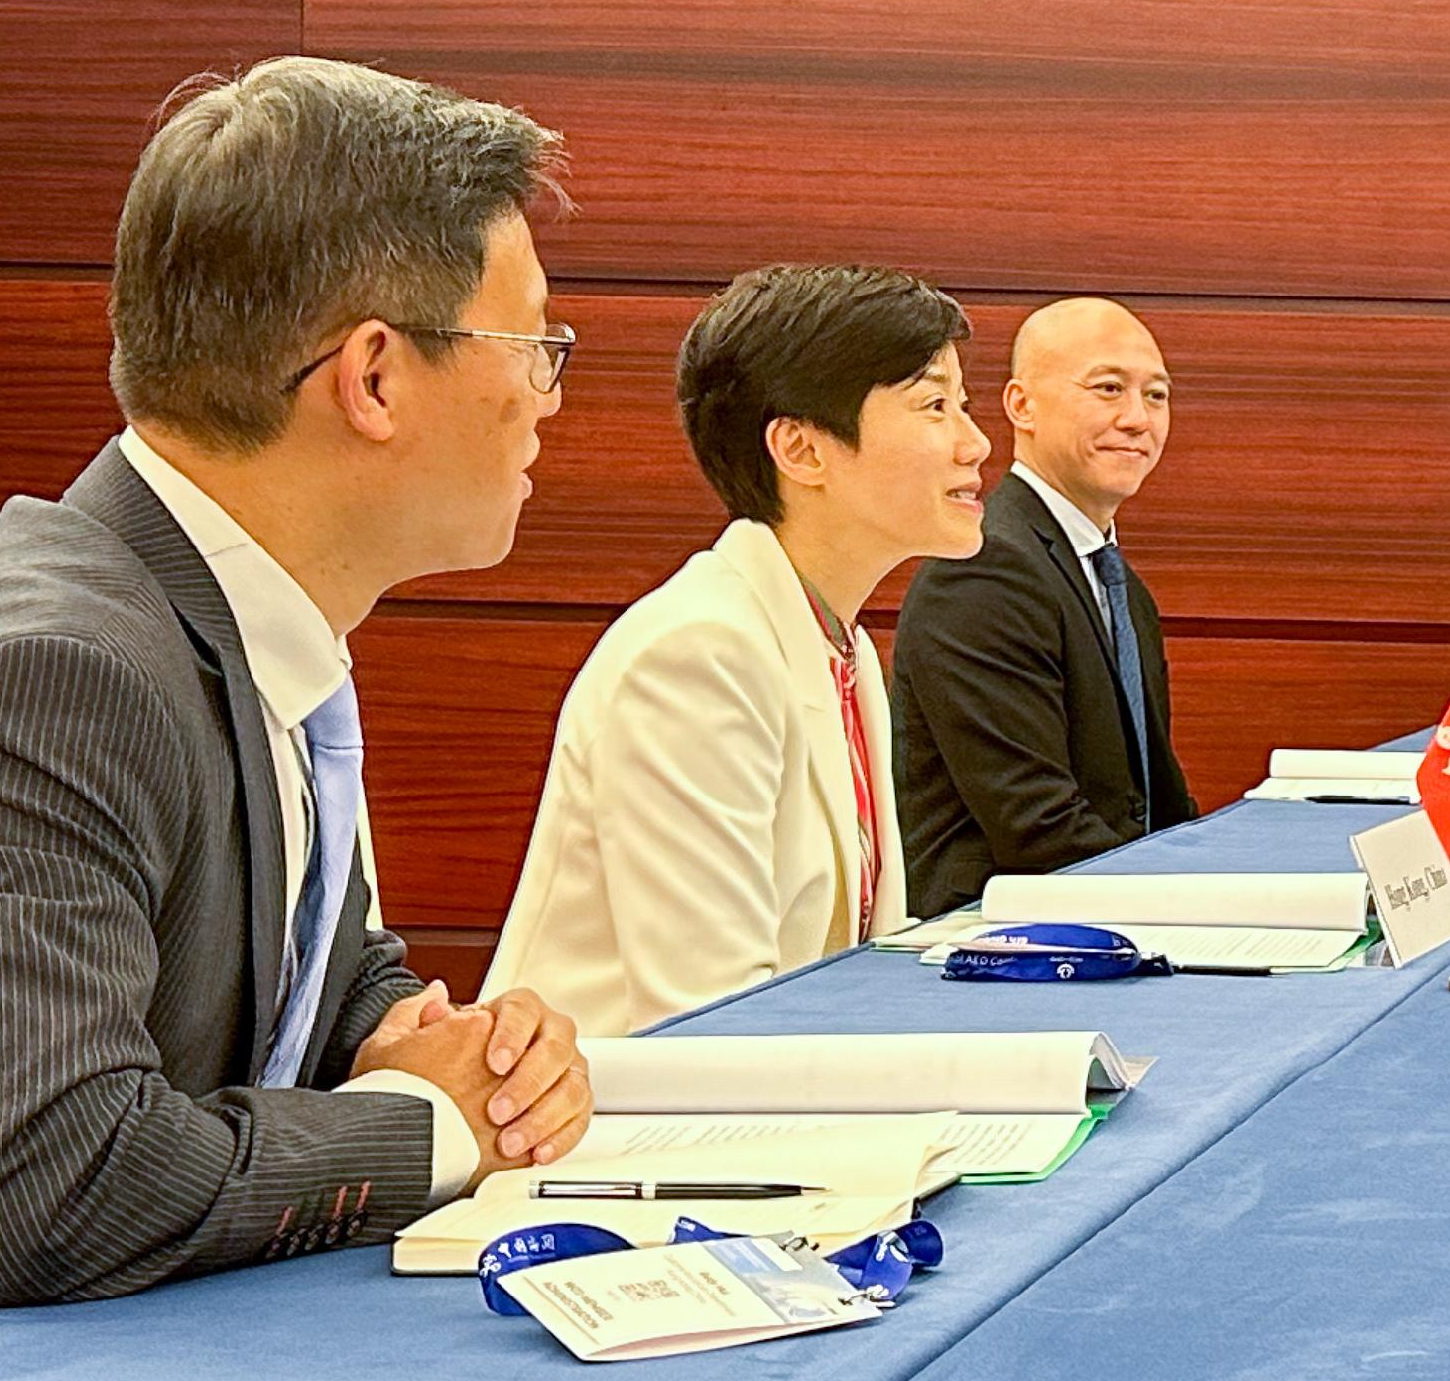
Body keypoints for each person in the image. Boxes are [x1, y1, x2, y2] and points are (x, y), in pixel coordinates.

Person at [0, 59, 595, 1333]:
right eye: (535, 347)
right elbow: (44, 1186)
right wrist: (427, 1127)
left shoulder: (220, 616)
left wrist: (448, 1044)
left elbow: (289, 978)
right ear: (377, 378)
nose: (548, 400)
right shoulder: (48, 678)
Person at [489, 265, 990, 1037]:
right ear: (801, 448)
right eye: (934, 405)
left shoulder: (840, 645)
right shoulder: (697, 654)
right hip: (618, 1132)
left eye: (962, 404)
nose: (975, 442)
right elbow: (711, 1020)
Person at [894, 296, 1198, 916]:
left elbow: (1157, 806)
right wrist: (1194, 908)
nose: (1138, 418)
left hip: (1103, 912)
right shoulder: (983, 569)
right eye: (1108, 388)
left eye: (1157, 395)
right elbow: (1037, 829)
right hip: (997, 945)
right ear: (1020, 405)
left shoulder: (1117, 581)